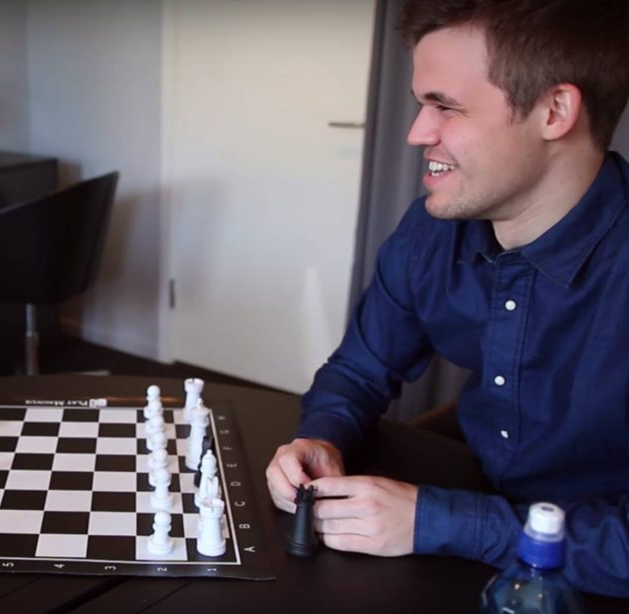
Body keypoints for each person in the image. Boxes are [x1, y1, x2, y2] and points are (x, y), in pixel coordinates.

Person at [265, 0, 629, 599]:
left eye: (445, 106)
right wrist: (321, 439)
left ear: (555, 110)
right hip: (470, 535)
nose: (417, 132)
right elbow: (359, 368)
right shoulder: (434, 230)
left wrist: (444, 521)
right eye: (420, 102)